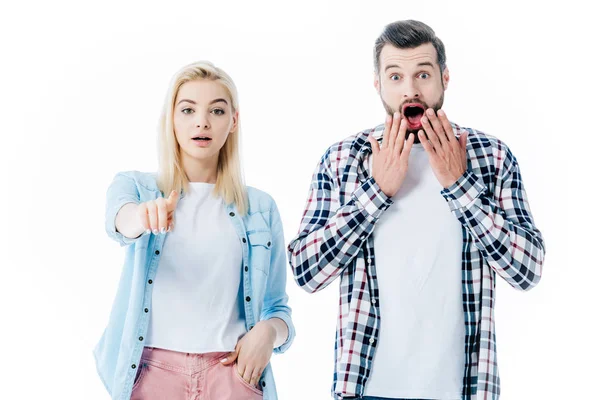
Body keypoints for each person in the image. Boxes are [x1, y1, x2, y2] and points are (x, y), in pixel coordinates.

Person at [287, 20, 545, 400]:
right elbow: (307, 272)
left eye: (422, 74)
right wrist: (376, 191)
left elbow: (528, 270)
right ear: (378, 84)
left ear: (444, 78)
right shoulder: (343, 159)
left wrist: (460, 185)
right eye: (395, 76)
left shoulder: (491, 156)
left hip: (464, 389)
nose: (410, 89)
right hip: (366, 388)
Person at [94, 61, 295, 400]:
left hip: (233, 375)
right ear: (171, 119)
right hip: (152, 375)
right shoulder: (137, 188)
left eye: (217, 111)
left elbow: (278, 308)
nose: (202, 121)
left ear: (234, 121)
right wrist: (143, 217)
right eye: (188, 110)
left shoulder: (260, 208)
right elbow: (120, 222)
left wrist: (269, 334)